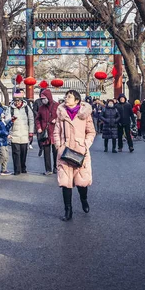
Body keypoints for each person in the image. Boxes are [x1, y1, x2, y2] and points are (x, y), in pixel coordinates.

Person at [53, 90, 96, 221]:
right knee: (65, 183)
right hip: (65, 151)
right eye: (66, 96)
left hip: (80, 151)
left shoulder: (84, 114)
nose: (66, 98)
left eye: (69, 97)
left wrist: (85, 144)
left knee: (82, 183)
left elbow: (91, 132)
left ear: (76, 100)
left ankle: (84, 199)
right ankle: (68, 210)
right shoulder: (61, 114)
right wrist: (59, 146)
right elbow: (56, 132)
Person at [7, 91, 34, 175]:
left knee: (23, 153)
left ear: (22, 101)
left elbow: (31, 120)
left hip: (24, 134)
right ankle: (17, 170)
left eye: (18, 101)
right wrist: (11, 119)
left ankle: (23, 167)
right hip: (14, 134)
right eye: (15, 101)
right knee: (16, 153)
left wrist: (31, 132)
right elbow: (6, 120)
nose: (17, 103)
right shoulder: (10, 109)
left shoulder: (26, 108)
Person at [36, 89, 59, 175]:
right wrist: (39, 127)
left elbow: (62, 117)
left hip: (55, 132)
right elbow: (37, 119)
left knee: (56, 152)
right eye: (42, 99)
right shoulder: (41, 108)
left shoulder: (57, 106)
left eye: (44, 98)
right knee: (46, 152)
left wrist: (56, 120)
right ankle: (48, 169)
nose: (43, 100)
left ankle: (56, 168)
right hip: (45, 133)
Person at [0, 105, 13, 175]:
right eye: (1, 113)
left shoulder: (1, 121)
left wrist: (11, 122)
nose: (3, 114)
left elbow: (5, 128)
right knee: (3, 155)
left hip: (4, 140)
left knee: (6, 156)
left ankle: (4, 169)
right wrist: (6, 134)